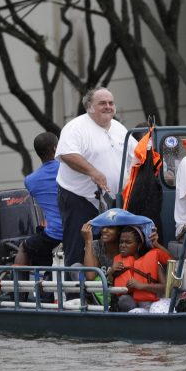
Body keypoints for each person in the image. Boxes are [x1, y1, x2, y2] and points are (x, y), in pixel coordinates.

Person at [55, 86, 131, 267]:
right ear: (89, 106)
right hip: (79, 197)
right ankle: (76, 290)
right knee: (78, 247)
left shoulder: (119, 128)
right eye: (102, 103)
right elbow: (66, 154)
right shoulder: (75, 127)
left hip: (113, 201)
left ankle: (106, 288)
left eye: (111, 103)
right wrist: (93, 172)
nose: (108, 106)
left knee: (111, 247)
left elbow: (137, 154)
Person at [13, 132, 63, 267]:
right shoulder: (67, 170)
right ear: (55, 148)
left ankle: (19, 287)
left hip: (53, 235)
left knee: (24, 247)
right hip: (74, 230)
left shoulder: (30, 181)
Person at [111, 225, 171, 312]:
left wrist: (141, 286)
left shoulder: (151, 261)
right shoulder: (118, 263)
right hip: (132, 306)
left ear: (139, 245)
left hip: (151, 304)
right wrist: (111, 272)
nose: (123, 245)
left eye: (128, 242)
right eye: (121, 242)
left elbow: (165, 287)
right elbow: (112, 286)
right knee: (124, 300)